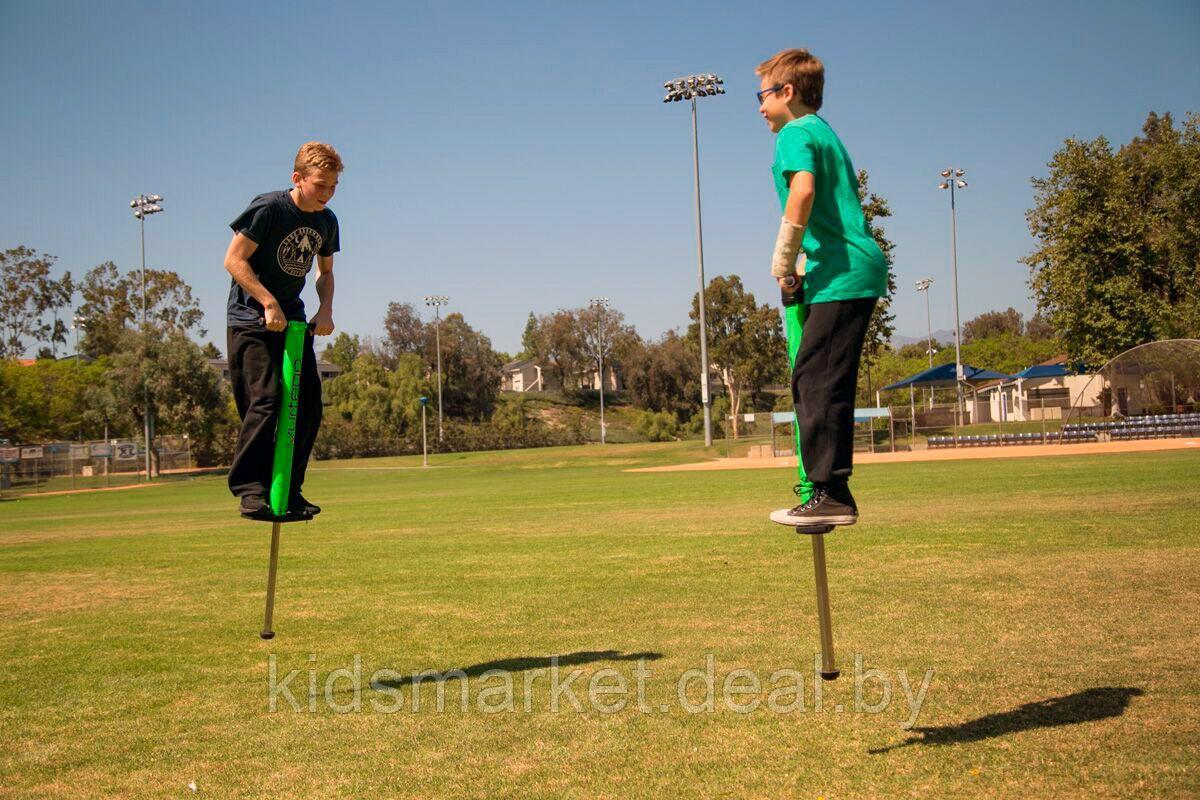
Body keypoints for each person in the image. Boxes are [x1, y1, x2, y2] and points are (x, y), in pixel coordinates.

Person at [757, 49, 887, 526]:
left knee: (816, 379)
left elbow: (804, 191)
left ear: (787, 93)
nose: (760, 107)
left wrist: (783, 257)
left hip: (844, 273)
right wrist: (805, 268)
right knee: (820, 378)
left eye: (763, 95)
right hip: (838, 270)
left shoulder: (794, 133)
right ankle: (829, 491)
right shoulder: (825, 132)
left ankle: (830, 491)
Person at [223, 142, 342, 520]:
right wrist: (266, 300)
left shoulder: (327, 221)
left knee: (307, 406)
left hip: (292, 322)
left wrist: (325, 308)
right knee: (268, 400)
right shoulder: (269, 208)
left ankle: (288, 490)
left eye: (333, 186)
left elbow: (324, 273)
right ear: (298, 178)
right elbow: (234, 260)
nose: (326, 193)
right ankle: (251, 490)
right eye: (320, 185)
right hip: (251, 321)